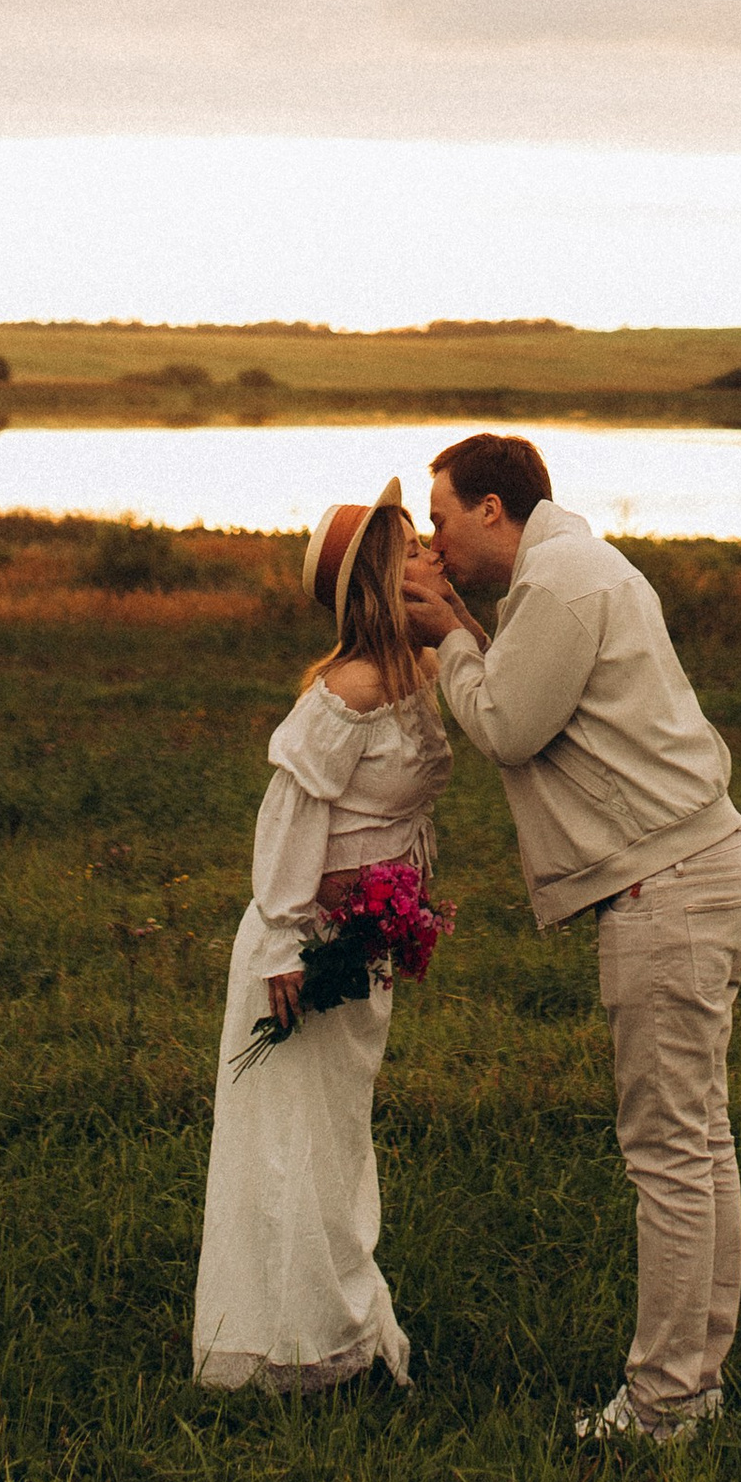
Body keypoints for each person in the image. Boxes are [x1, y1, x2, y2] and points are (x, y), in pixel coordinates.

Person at [402, 433, 741, 1446]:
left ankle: (661, 1406)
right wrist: (465, 629)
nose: (434, 534)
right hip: (691, 868)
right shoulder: (567, 568)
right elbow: (524, 690)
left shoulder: (557, 584)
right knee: (699, 1142)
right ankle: (696, 1380)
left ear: (491, 509)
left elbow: (507, 724)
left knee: (666, 1153)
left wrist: (445, 640)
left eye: (441, 514)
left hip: (667, 887)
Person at [191, 478, 452, 1393]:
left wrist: (405, 907)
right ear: (383, 580)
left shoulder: (420, 673)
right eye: (414, 550)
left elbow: (402, 819)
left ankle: (341, 1331)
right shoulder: (343, 692)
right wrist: (283, 952)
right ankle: (288, 1347)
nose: (432, 558)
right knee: (289, 1146)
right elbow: (287, 832)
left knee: (339, 1142)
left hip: (365, 945)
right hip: (302, 956)